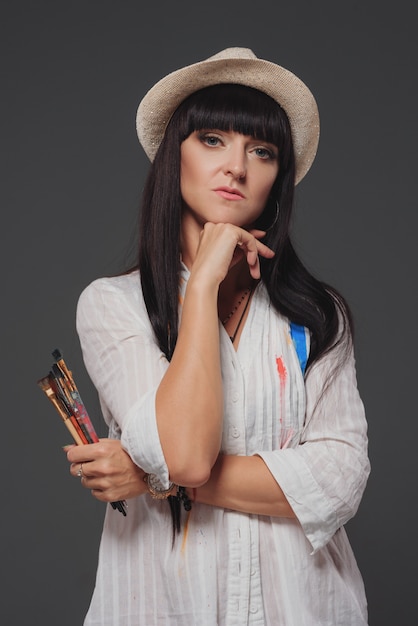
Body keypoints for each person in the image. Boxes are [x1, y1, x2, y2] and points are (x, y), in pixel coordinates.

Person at [66, 47, 370, 625]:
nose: (237, 166)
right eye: (212, 140)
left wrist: (151, 475)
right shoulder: (114, 305)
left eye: (262, 151)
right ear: (171, 156)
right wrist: (202, 285)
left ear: (278, 178)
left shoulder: (316, 314)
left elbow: (338, 479)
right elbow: (185, 452)